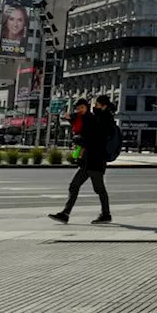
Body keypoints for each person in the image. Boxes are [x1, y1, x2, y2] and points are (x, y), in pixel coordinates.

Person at [49, 95, 114, 224]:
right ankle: (65, 213)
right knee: (74, 186)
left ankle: (106, 214)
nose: (94, 106)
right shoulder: (97, 117)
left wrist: (82, 140)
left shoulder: (103, 119)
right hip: (87, 161)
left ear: (103, 105)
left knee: (99, 189)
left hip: (96, 161)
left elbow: (97, 139)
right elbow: (85, 131)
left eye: (97, 105)